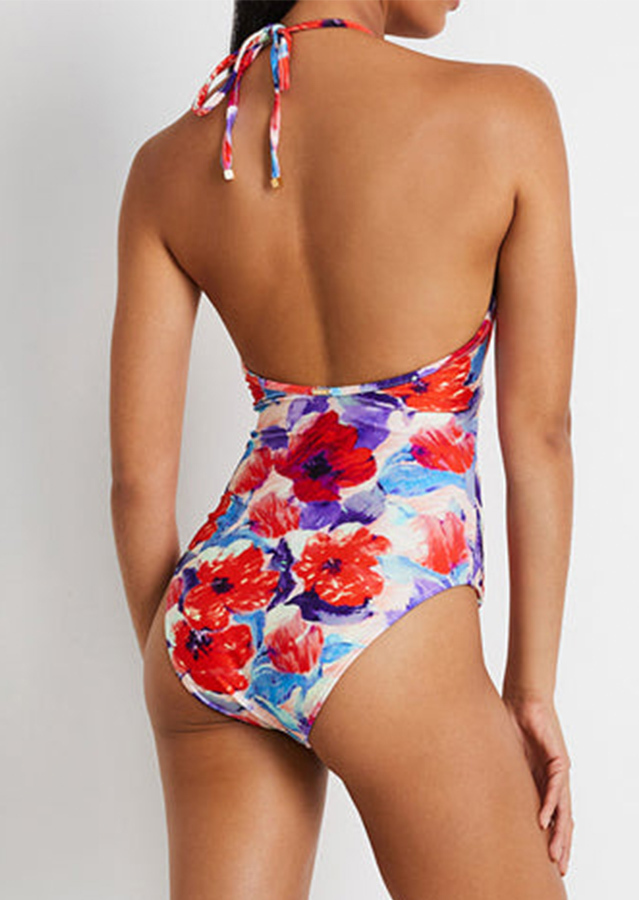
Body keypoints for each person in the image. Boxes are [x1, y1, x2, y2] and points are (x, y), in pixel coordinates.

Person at [109, 1, 576, 897]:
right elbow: (541, 435)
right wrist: (530, 691)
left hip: (212, 611)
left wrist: (187, 658)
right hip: (390, 605)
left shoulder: (171, 160)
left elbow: (135, 484)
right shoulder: (505, 113)